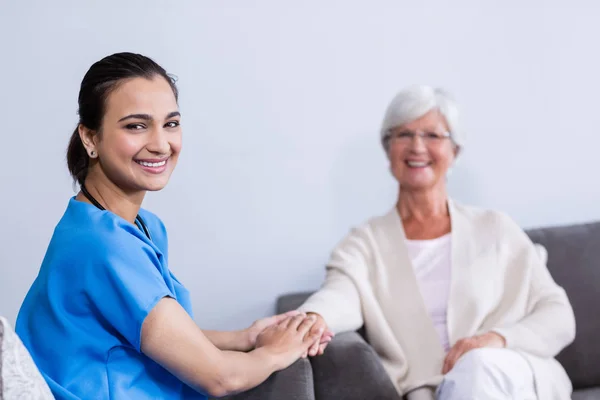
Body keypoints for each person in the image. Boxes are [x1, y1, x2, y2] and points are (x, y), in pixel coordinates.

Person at [16, 52, 322, 400]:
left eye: (171, 123)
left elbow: (148, 333)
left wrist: (245, 338)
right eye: (136, 125)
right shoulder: (103, 246)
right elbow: (219, 378)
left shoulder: (130, 225)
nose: (161, 144)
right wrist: (279, 351)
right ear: (90, 138)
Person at [298, 85, 576, 399]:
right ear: (388, 150)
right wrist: (307, 321)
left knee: (479, 366)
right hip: (436, 390)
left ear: (454, 151)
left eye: (433, 135)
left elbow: (558, 315)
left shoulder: (495, 227)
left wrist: (496, 339)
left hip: (515, 375)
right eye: (403, 134)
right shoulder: (364, 243)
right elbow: (338, 295)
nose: (417, 146)